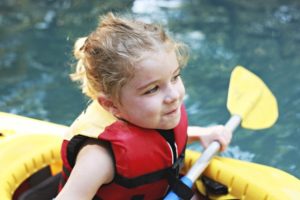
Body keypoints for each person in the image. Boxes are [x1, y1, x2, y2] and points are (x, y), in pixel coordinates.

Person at [56, 12, 232, 200]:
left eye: (175, 77)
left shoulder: (151, 115)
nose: (173, 96)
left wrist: (202, 135)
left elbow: (161, 142)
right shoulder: (99, 157)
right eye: (152, 89)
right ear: (111, 105)